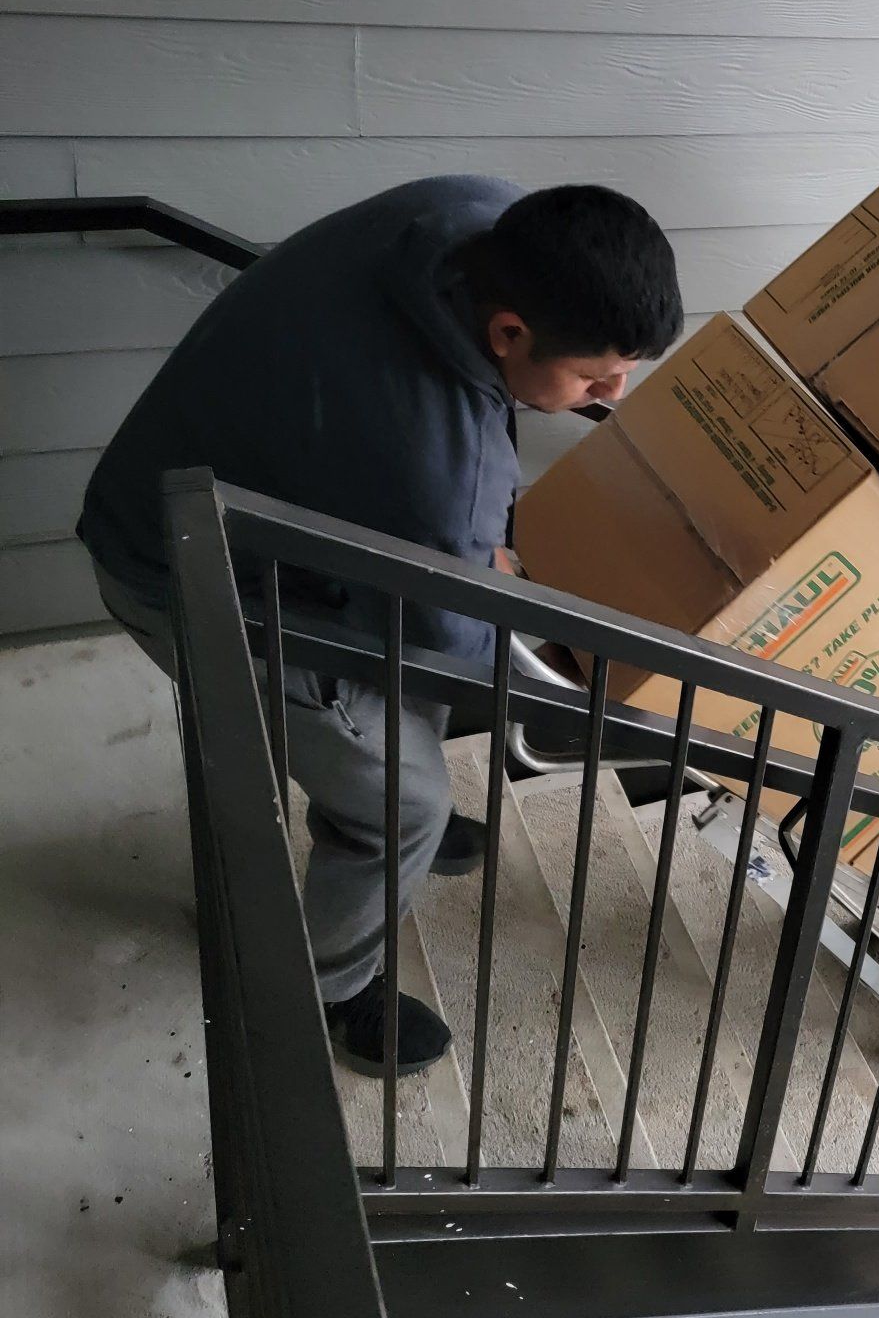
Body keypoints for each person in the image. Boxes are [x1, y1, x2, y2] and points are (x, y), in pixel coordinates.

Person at [78, 176, 683, 1076]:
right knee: (403, 797)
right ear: (510, 332)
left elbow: (436, 590)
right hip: (188, 578)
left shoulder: (466, 212)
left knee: (410, 670)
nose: (617, 391)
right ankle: (327, 986)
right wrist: (567, 656)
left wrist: (474, 565)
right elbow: (450, 645)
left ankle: (384, 837)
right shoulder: (433, 471)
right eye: (596, 374)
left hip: (204, 485)